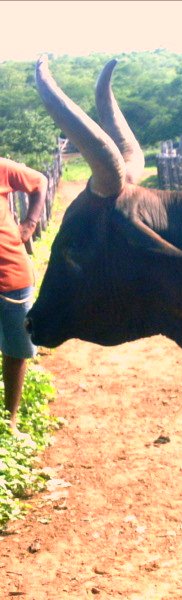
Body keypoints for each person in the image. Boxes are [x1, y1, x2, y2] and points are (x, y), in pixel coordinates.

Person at [0, 157, 46, 433]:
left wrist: (30, 223)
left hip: (10, 276)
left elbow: (40, 181)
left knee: (16, 351)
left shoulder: (2, 167)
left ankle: (11, 420)